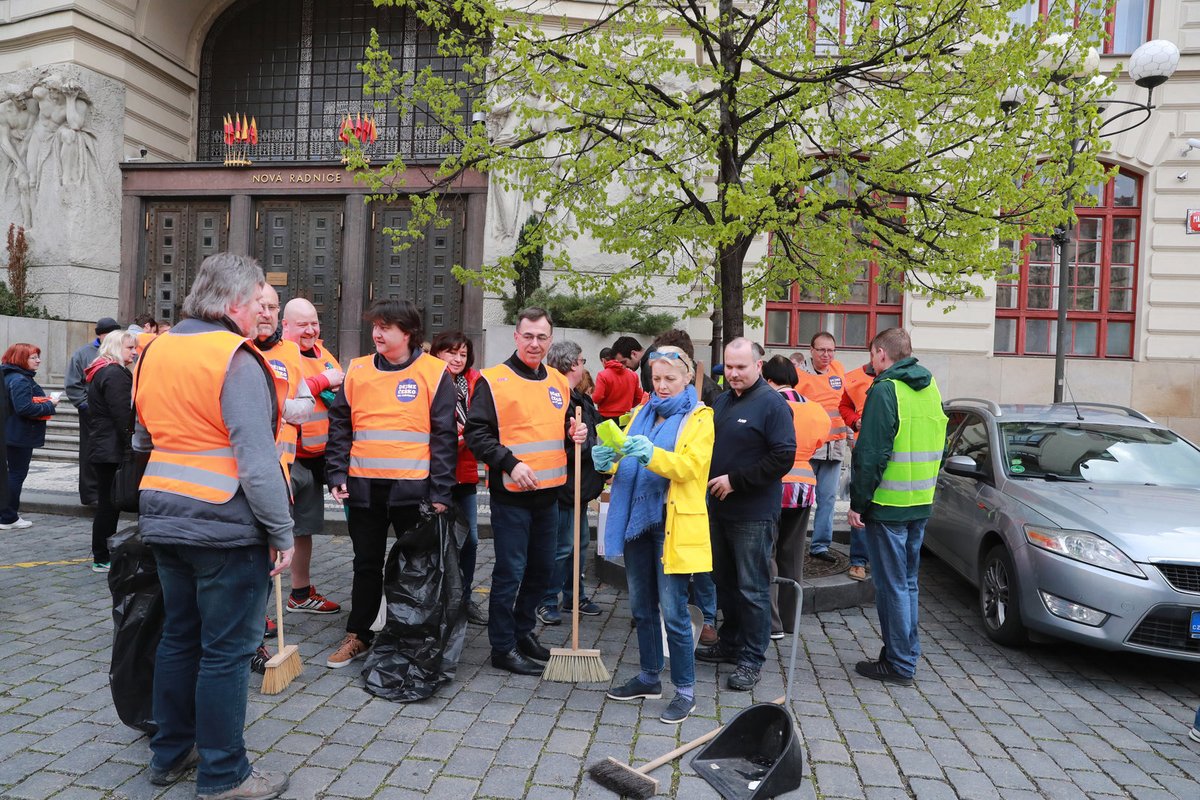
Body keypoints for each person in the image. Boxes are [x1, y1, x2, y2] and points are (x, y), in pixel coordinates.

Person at [133, 252, 293, 799]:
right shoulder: (236, 358)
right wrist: (282, 531)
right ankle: (225, 775)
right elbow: (256, 460)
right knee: (226, 653)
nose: (260, 316)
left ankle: (170, 753)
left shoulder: (155, 351)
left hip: (164, 514)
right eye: (256, 305)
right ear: (233, 304)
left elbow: (142, 438)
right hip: (225, 525)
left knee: (180, 638)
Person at [324, 299, 457, 669]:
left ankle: (411, 634)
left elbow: (444, 436)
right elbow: (340, 426)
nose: (378, 334)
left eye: (386, 327)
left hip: (413, 492)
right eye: (375, 327)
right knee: (366, 563)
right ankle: (359, 634)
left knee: (415, 566)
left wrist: (441, 492)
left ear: (409, 333)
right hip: (364, 488)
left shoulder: (434, 372)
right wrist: (336, 473)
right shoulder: (358, 370)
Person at [464, 307, 587, 676]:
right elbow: (476, 434)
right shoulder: (493, 380)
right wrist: (510, 463)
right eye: (528, 336)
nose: (535, 343)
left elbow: (567, 428)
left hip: (549, 495)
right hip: (512, 495)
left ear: (550, 340)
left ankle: (522, 632)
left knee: (541, 570)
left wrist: (576, 435)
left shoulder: (558, 381)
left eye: (542, 337)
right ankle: (502, 647)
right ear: (516, 337)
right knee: (510, 572)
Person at [597, 345, 713, 724]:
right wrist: (607, 460)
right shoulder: (641, 413)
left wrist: (651, 455)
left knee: (674, 612)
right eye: (656, 378)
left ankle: (685, 690)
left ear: (686, 378)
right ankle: (649, 677)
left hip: (671, 524)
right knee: (641, 607)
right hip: (637, 521)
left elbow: (691, 468)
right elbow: (624, 455)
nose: (661, 386)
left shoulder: (699, 417)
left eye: (670, 379)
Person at [848, 328, 946, 687]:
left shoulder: (885, 389)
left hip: (888, 504)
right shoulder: (929, 387)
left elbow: (871, 452)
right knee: (907, 583)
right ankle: (904, 654)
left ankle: (900, 663)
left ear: (880, 353)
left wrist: (859, 502)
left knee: (892, 587)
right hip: (919, 500)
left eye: (872, 355)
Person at [696, 338, 795, 691]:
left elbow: (783, 456)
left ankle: (752, 658)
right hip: (718, 510)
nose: (734, 373)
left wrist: (737, 481)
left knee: (752, 589)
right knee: (724, 583)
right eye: (730, 367)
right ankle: (731, 641)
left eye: (741, 367)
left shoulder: (773, 405)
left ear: (759, 365)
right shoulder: (723, 400)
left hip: (752, 514)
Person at [280, 297, 342, 615]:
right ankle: (254, 605)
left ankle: (300, 593)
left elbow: (339, 386)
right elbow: (284, 394)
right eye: (302, 324)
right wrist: (321, 383)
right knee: (269, 529)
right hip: (285, 458)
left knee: (304, 529)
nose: (310, 330)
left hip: (317, 458)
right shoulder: (277, 354)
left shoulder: (324, 353)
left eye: (314, 322)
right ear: (285, 325)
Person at [536, 341, 604, 625]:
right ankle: (547, 600)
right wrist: (588, 446)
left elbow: (597, 430)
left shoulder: (581, 399)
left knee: (580, 544)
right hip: (564, 486)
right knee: (562, 547)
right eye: (582, 360)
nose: (583, 365)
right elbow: (558, 445)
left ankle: (575, 596)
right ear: (573, 364)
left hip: (582, 486)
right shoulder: (555, 399)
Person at [762, 356, 829, 635]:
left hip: (772, 483)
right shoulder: (816, 410)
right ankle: (790, 620)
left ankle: (771, 622)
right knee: (793, 552)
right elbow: (819, 442)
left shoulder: (767, 405)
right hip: (804, 484)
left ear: (768, 380)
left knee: (767, 552)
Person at [430, 329, 488, 626]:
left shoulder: (475, 383)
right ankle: (435, 600)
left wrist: (461, 437)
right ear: (437, 352)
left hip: (463, 474)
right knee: (434, 542)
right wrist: (457, 436)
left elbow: (483, 425)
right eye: (451, 352)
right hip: (431, 475)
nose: (457, 358)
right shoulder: (428, 378)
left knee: (471, 541)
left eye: (463, 354)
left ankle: (463, 599)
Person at [795, 332, 851, 562]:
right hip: (809, 449)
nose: (826, 355)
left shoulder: (838, 370)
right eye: (821, 350)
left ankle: (819, 546)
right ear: (811, 350)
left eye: (830, 350)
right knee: (802, 499)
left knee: (827, 499)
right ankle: (795, 544)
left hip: (835, 448)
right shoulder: (800, 376)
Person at [83, 329, 137, 572]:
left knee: (108, 503)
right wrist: (132, 443)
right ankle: (102, 556)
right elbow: (122, 414)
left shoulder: (103, 370)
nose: (134, 352)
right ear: (116, 348)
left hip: (105, 445)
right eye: (130, 348)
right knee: (108, 504)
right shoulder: (114, 374)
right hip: (111, 448)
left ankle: (103, 554)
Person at [2, 343, 60, 530]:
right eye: (33, 357)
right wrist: (50, 404)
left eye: (38, 356)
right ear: (20, 359)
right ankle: (8, 517)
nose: (38, 360)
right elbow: (24, 408)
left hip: (10, 431)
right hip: (18, 433)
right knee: (16, 474)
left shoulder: (8, 376)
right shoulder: (19, 380)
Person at [65, 316, 121, 506]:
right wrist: (85, 405)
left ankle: (113, 491)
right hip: (91, 411)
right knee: (89, 450)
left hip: (114, 410)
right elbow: (72, 384)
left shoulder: (122, 351)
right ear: (101, 335)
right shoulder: (83, 354)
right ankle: (90, 494)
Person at [839, 361, 876, 582]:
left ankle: (878, 560)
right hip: (863, 451)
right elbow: (843, 406)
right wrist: (855, 421)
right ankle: (859, 561)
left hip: (894, 455)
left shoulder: (901, 380)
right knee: (860, 505)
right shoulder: (853, 378)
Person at [593, 336, 641, 423]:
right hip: (625, 418)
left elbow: (597, 398)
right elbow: (639, 397)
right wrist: (627, 404)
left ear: (603, 360)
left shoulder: (602, 375)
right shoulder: (633, 375)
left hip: (606, 418)